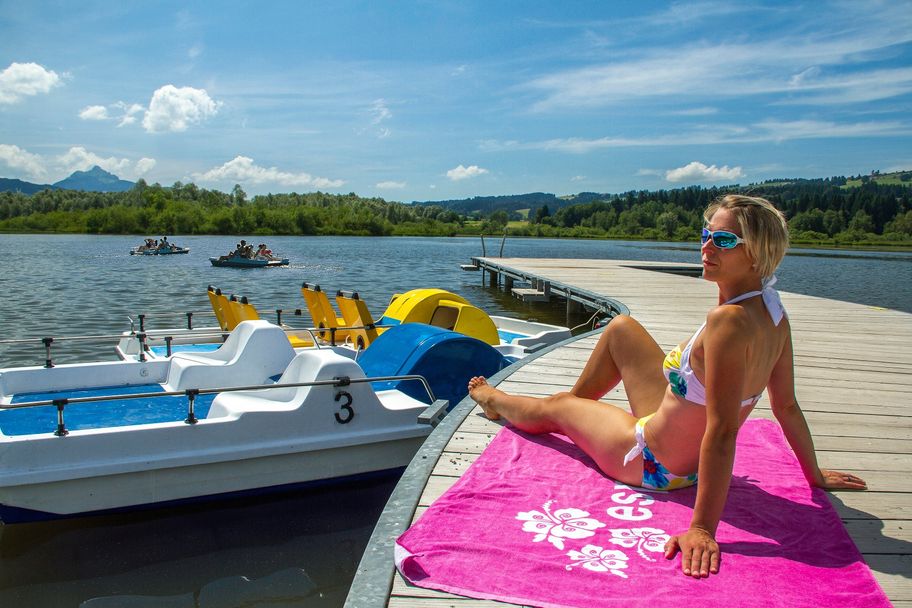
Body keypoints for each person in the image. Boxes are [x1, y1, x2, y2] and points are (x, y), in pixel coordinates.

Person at [467, 194, 866, 579]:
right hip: (669, 430)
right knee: (621, 328)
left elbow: (724, 430)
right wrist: (812, 474)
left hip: (652, 463)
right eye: (705, 235)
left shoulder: (729, 322)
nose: (708, 247)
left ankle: (496, 400)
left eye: (724, 240)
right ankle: (578, 417)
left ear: (757, 253)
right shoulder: (774, 312)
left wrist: (703, 529)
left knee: (555, 404)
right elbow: (787, 407)